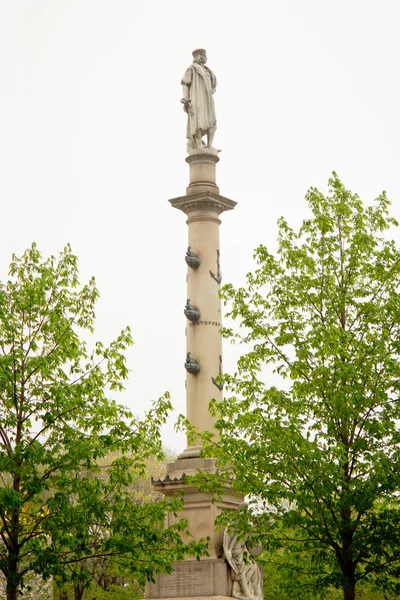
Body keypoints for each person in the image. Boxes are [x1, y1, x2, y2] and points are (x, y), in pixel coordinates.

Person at [181, 48, 217, 151]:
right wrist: (185, 97)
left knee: (212, 120)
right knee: (198, 119)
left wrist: (213, 89)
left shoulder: (209, 71)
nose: (206, 58)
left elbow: (214, 84)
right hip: (197, 97)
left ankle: (210, 145)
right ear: (199, 57)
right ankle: (198, 143)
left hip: (208, 99)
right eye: (204, 56)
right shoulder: (192, 69)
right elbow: (185, 84)